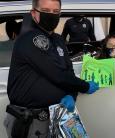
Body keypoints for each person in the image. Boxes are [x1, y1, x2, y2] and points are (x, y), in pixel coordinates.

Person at [4, 0, 99, 138]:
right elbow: (57, 74)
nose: (51, 15)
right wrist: (84, 86)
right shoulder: (29, 39)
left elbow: (68, 72)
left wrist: (72, 95)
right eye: (46, 11)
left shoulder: (58, 40)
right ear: (34, 14)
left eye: (55, 12)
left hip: (58, 116)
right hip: (31, 122)